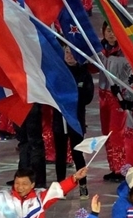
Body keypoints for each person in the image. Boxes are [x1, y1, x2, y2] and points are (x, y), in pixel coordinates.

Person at [53, 46, 94, 199]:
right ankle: (60, 186)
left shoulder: (84, 73)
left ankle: (83, 186)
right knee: (61, 154)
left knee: (78, 154)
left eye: (73, 52)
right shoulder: (57, 72)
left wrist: (72, 97)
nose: (69, 55)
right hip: (59, 119)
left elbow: (88, 97)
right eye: (67, 52)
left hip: (76, 120)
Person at [99, 21, 128, 182]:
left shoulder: (125, 51)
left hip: (119, 96)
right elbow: (92, 68)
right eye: (108, 30)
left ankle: (122, 169)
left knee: (117, 133)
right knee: (107, 134)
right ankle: (113, 167)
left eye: (113, 30)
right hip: (103, 95)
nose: (111, 34)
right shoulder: (99, 49)